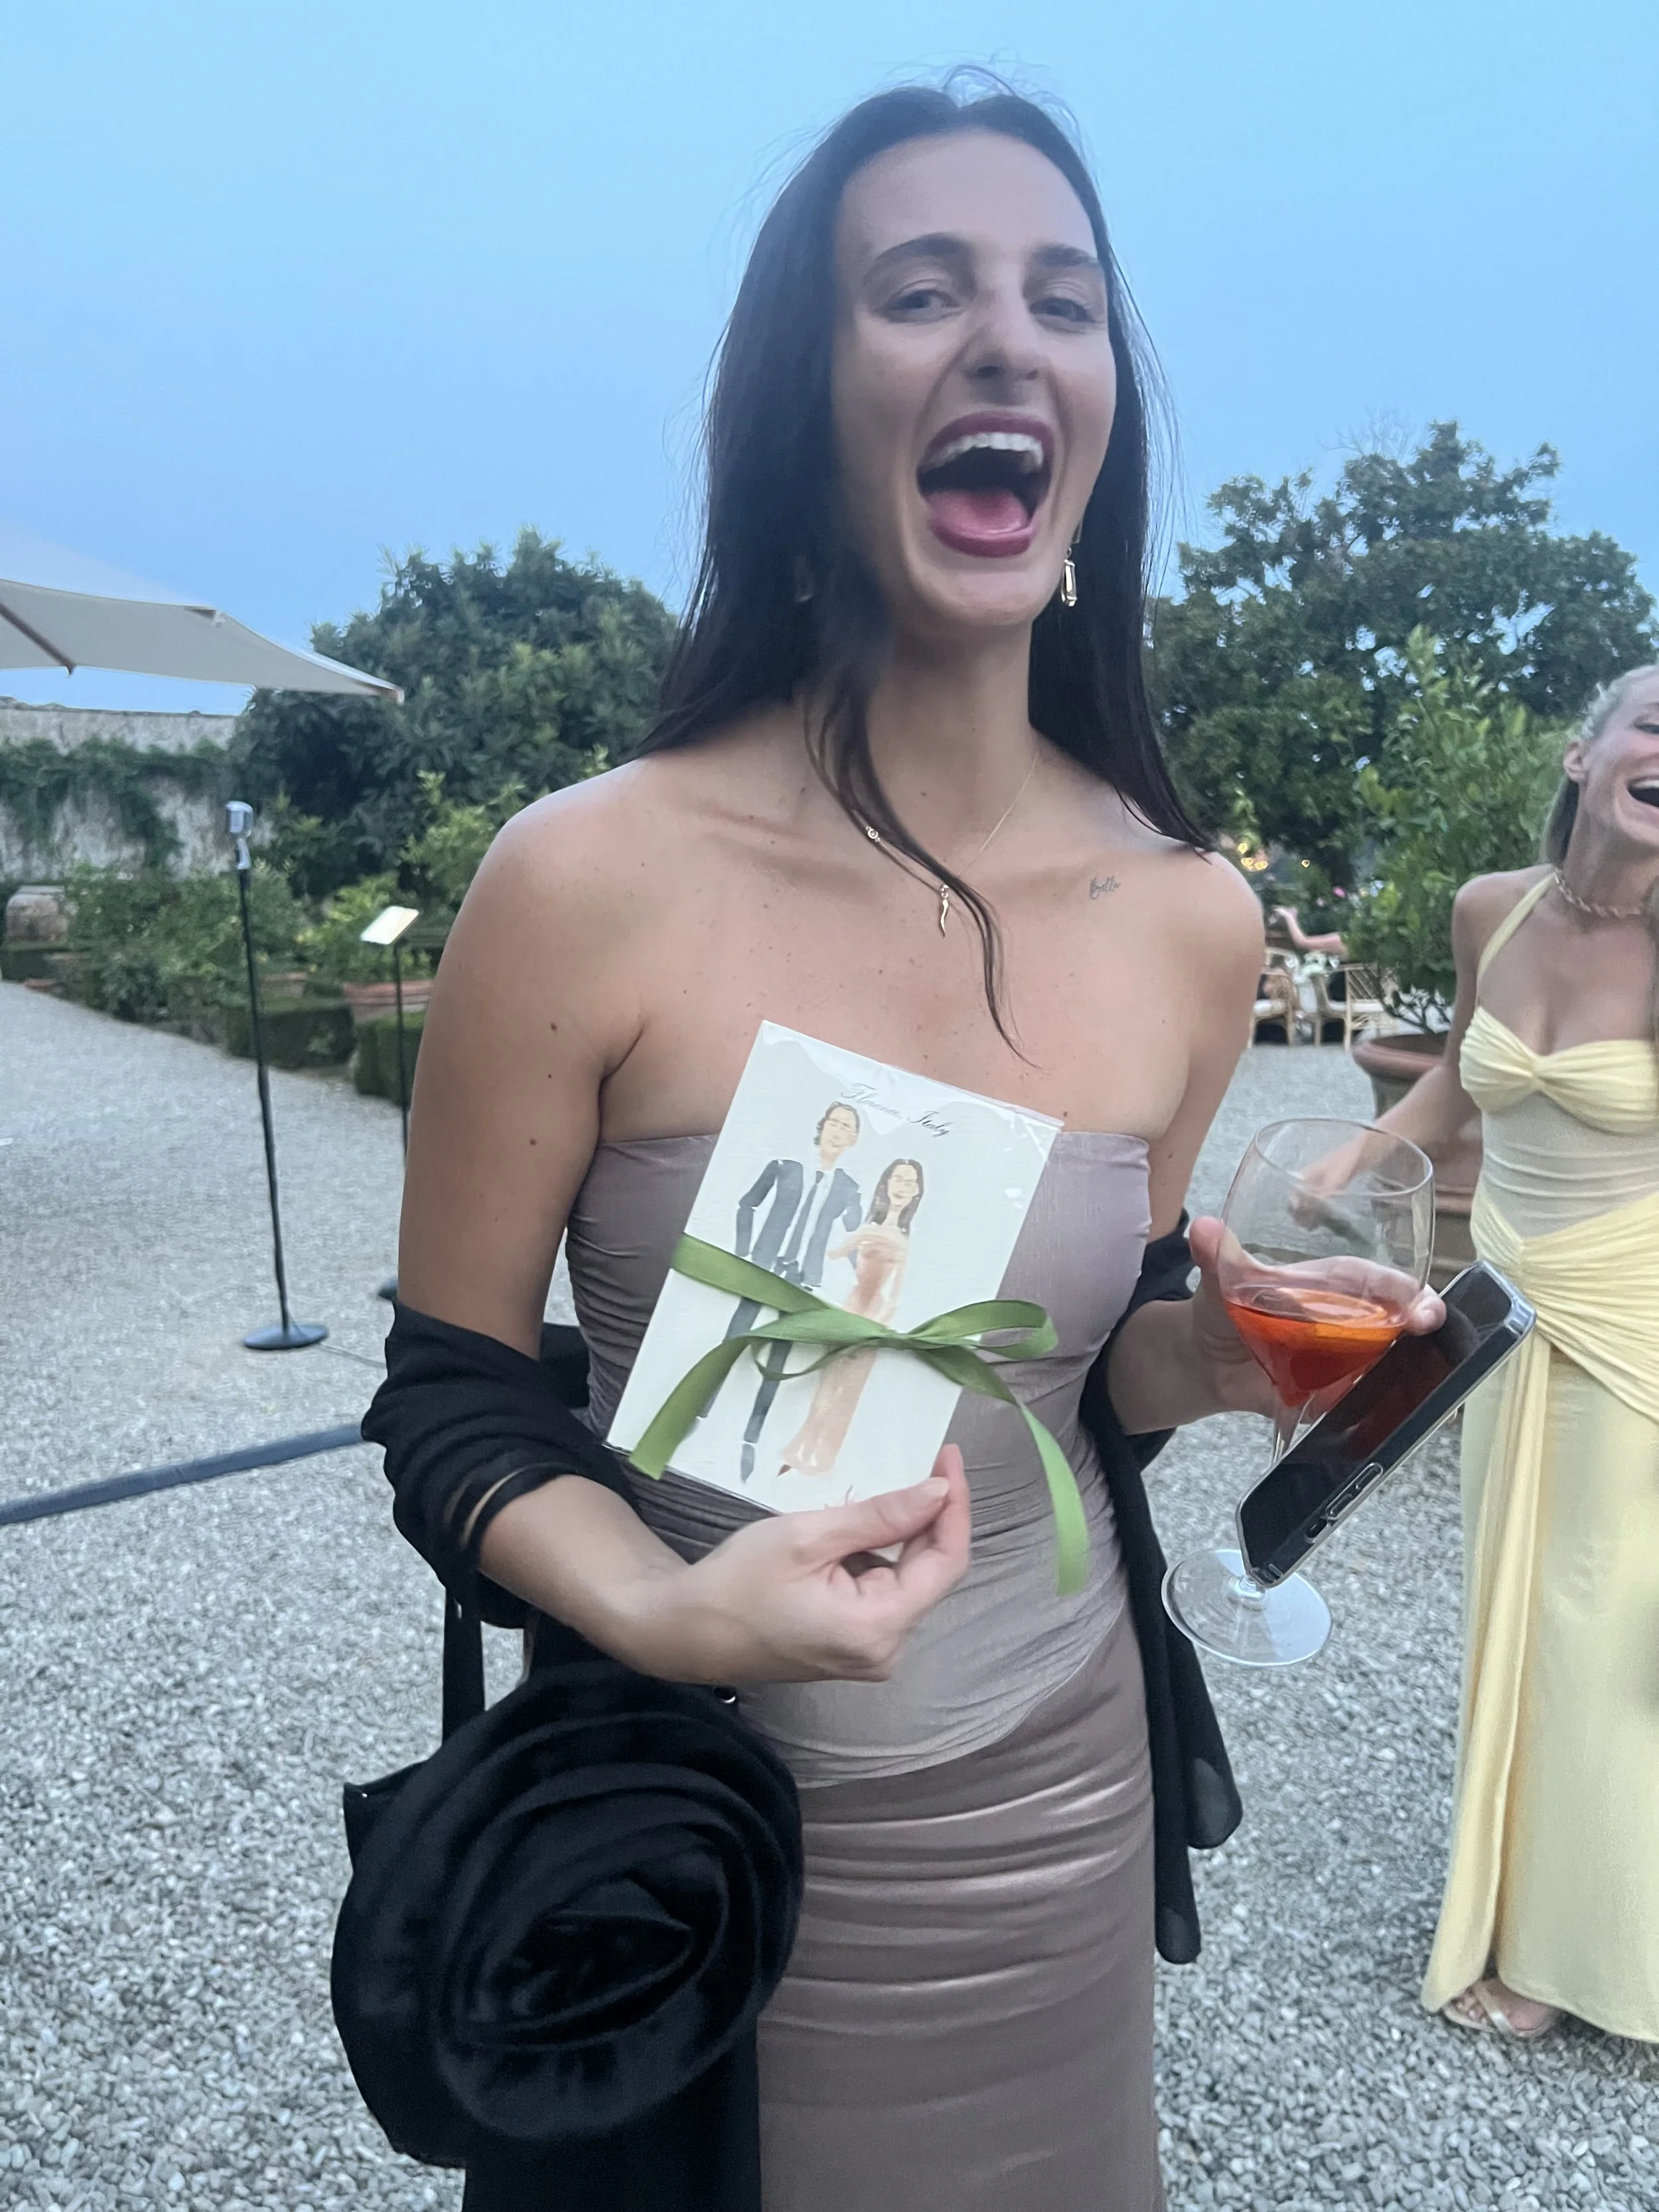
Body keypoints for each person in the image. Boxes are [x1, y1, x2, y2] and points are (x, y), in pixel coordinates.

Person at [389, 82, 1437, 2209]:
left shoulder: (1188, 917)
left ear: (1099, 409)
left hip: (1053, 1816)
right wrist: (669, 1612)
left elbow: (1073, 1388)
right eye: (918, 287)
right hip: (698, 1848)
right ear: (807, 391)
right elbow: (449, 1404)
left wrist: (1214, 1352)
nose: (1005, 337)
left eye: (1061, 297)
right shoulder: (587, 873)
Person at [1370, 662, 1659, 2045]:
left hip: (1631, 1310)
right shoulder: (1491, 908)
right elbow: (1449, 1073)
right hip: (1498, 1304)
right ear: (1580, 750)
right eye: (1653, 721)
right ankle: (1523, 1905)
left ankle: (1579, 1958)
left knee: (1601, 1628)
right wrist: (1341, 1171)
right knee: (1513, 1608)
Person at [717, 1099, 865, 1476]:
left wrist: (862, 1278)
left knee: (778, 1363)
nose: (839, 1131)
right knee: (732, 1342)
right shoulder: (785, 1167)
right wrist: (743, 1253)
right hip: (764, 1268)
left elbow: (854, 1239)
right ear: (822, 1125)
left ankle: (749, 1441)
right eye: (835, 1122)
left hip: (803, 1280)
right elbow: (746, 1205)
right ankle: (699, 1416)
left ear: (854, 1139)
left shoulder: (848, 1189)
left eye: (848, 1127)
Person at [777, 1158, 923, 1477]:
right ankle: (801, 1446)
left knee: (848, 1391)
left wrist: (878, 1324)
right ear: (885, 1184)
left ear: (916, 1193)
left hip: (873, 1321)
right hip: (849, 1310)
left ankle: (823, 1458)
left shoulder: (904, 1241)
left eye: (909, 1183)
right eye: (897, 1178)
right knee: (826, 1384)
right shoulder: (868, 1230)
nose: (901, 1187)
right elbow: (835, 1253)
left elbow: (896, 1293)